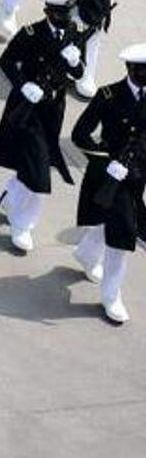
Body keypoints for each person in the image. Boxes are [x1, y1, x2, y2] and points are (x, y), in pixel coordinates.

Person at [0, 0, 87, 252]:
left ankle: (11, 196)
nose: (65, 19)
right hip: (28, 108)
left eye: (68, 13)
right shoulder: (31, 34)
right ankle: (23, 224)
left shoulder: (75, 34)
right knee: (39, 172)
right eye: (59, 14)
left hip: (53, 109)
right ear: (47, 13)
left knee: (32, 165)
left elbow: (78, 72)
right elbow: (7, 61)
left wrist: (76, 63)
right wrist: (23, 85)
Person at [68, 47, 146, 325]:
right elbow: (80, 134)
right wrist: (105, 161)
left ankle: (86, 252)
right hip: (109, 176)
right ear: (130, 70)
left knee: (109, 224)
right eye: (141, 72)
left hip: (138, 176)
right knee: (123, 236)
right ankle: (111, 295)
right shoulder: (108, 95)